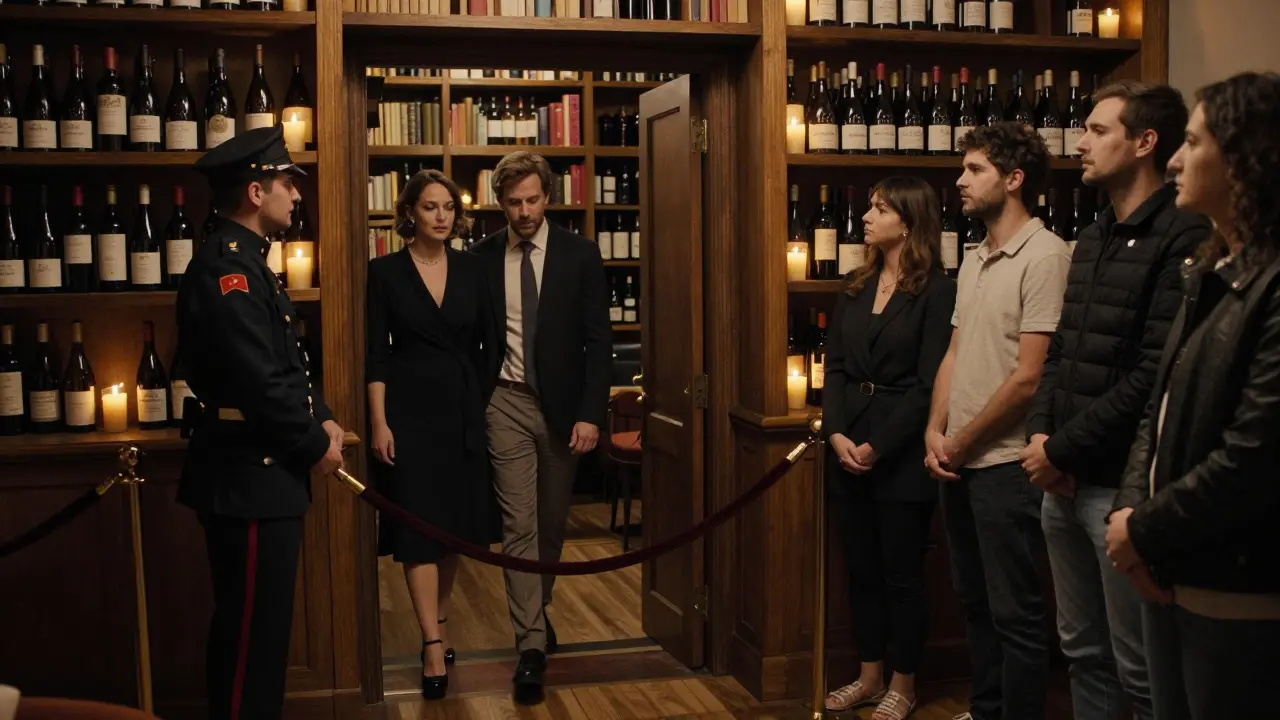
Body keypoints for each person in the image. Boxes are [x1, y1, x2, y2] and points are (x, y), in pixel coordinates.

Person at [1018, 80, 1211, 720]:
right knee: (1081, 654)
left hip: (1117, 488)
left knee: (1140, 669)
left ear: (1144, 142)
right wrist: (1042, 435)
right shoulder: (1097, 234)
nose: (1081, 143)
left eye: (1098, 131)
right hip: (1060, 477)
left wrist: (1062, 448)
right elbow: (1065, 347)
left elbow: (1153, 374)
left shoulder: (1183, 235)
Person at [1105, 71, 1280, 720]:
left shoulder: (1272, 284)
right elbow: (1160, 410)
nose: (1174, 158)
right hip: (1172, 567)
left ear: (1245, 157)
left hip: (1239, 589)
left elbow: (1255, 456)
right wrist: (1131, 526)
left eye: (1195, 142)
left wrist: (1143, 529)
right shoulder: (1207, 271)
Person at [177, 125, 346, 720]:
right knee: (250, 637)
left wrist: (322, 419)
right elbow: (258, 381)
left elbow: (287, 366)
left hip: (262, 472)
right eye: (285, 184)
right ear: (255, 192)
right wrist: (312, 444)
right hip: (247, 476)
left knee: (264, 632)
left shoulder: (249, 263)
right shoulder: (228, 271)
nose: (295, 196)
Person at [926, 122, 1070, 720]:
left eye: (975, 170)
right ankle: (986, 710)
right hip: (958, 459)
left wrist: (960, 440)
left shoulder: (1047, 256)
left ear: (1014, 180)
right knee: (975, 602)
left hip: (1006, 464)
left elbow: (1029, 377)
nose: (960, 180)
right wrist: (935, 431)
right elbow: (955, 353)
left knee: (1016, 612)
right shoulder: (977, 254)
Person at [469, 151, 611, 705]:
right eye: (512, 202)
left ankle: (538, 608)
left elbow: (598, 341)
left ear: (548, 197)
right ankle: (530, 642)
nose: (523, 211)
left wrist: (590, 413)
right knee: (518, 524)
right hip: (502, 402)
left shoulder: (581, 255)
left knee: (552, 526)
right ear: (499, 203)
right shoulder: (480, 259)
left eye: (532, 200)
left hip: (563, 409)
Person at [821, 177, 956, 720]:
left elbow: (929, 384)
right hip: (846, 444)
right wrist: (836, 433)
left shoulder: (937, 290)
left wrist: (878, 445)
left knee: (902, 574)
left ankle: (904, 682)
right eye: (870, 206)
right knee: (861, 571)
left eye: (880, 209)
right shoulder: (855, 284)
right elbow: (833, 369)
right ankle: (869, 675)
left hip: (899, 454)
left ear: (909, 220)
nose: (867, 217)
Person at [365, 169, 496, 700]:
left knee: (454, 528)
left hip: (463, 412)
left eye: (448, 207)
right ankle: (431, 643)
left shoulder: (474, 269)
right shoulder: (385, 272)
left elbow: (491, 347)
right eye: (430, 207)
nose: (441, 216)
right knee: (419, 528)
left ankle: (438, 621)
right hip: (408, 413)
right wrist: (379, 421)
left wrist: (475, 400)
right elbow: (375, 352)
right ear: (409, 214)